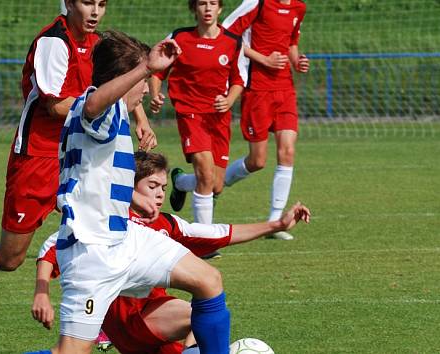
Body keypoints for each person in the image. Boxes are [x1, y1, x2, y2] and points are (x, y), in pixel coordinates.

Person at [0, 0, 157, 281]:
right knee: (9, 257)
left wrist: (140, 118)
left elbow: (113, 84)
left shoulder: (97, 43)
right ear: (69, 3)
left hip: (81, 150)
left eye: (101, 4)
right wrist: (103, 109)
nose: (95, 11)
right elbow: (56, 106)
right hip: (40, 155)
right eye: (87, 3)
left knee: (105, 226)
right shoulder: (54, 42)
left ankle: (116, 303)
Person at [24, 30, 232, 354]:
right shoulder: (95, 107)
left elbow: (100, 175)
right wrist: (146, 67)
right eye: (142, 79)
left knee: (208, 280)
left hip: (124, 239)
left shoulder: (118, 112)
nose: (147, 87)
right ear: (125, 78)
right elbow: (94, 103)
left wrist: (133, 195)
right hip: (91, 252)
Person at [32, 151, 311, 354]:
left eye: (163, 188)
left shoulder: (167, 224)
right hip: (124, 321)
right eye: (152, 186)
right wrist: (42, 292)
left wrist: (277, 224)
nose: (160, 194)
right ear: (128, 188)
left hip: (150, 318)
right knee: (199, 312)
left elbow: (220, 234)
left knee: (203, 310)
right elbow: (52, 247)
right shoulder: (109, 222)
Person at [149, 0, 244, 232]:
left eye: (213, 3)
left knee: (216, 184)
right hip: (190, 112)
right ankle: (205, 239)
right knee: (205, 173)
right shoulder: (179, 38)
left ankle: (180, 183)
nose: (208, 8)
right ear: (194, 8)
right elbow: (157, 71)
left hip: (219, 118)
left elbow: (239, 79)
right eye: (202, 3)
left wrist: (230, 100)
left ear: (220, 8)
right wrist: (154, 94)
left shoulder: (233, 42)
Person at [220, 0, 310, 240]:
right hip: (256, 89)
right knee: (257, 160)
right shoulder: (257, 3)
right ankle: (210, 183)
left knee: (287, 151)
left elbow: (291, 43)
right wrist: (263, 59)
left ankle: (275, 220)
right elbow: (227, 34)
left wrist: (296, 61)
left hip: (285, 89)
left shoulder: (299, 8)